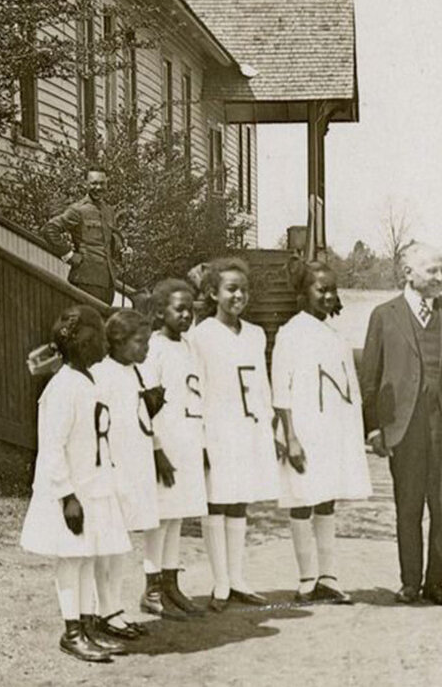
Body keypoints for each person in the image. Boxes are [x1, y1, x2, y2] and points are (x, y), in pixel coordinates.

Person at [360, 243, 442, 607]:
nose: (440, 277)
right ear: (408, 273)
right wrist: (373, 427)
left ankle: (436, 583)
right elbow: (371, 375)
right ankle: (410, 582)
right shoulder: (384, 315)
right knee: (408, 507)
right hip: (404, 427)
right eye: (432, 270)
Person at [19, 305, 135, 662]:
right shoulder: (63, 387)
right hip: (68, 492)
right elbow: (52, 448)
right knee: (71, 560)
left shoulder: (89, 381)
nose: (103, 340)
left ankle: (87, 625)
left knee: (86, 558)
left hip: (91, 486)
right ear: (79, 342)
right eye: (96, 334)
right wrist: (68, 496)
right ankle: (72, 632)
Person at [272, 260, 373, 604]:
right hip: (304, 429)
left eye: (333, 289)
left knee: (326, 498)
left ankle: (328, 577)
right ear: (303, 292)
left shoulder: (333, 333)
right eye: (321, 289)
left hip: (333, 429)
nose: (329, 296)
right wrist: (291, 437)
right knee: (302, 499)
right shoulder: (291, 332)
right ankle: (305, 579)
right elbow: (280, 390)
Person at [190, 257, 281, 611]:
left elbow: (261, 384)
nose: (238, 296)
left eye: (243, 290)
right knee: (217, 499)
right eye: (231, 290)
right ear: (213, 293)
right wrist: (199, 438)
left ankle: (238, 577)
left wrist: (270, 424)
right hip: (217, 428)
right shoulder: (201, 336)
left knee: (240, 498)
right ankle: (220, 582)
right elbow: (196, 389)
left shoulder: (256, 334)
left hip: (249, 427)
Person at [137, 279, 208, 619]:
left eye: (190, 310)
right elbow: (145, 405)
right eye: (178, 309)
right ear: (160, 311)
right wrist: (155, 450)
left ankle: (170, 583)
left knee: (177, 514)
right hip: (164, 443)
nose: (185, 315)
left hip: (188, 440)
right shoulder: (154, 349)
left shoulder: (191, 347)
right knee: (160, 517)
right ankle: (151, 589)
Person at [90, 309, 164, 629]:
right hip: (111, 467)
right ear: (117, 341)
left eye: (148, 341)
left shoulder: (136, 373)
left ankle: (114, 606)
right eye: (140, 341)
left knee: (121, 542)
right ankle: (100, 607)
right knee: (106, 540)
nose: (146, 348)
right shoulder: (100, 374)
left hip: (136, 465)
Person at [42, 169, 126, 305]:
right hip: (85, 280)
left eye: (102, 183)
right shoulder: (78, 210)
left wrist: (122, 250)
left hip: (108, 282)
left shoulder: (109, 211)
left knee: (102, 323)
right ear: (86, 184)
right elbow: (49, 229)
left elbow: (111, 240)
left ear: (107, 185)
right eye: (93, 183)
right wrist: (68, 255)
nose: (98, 187)